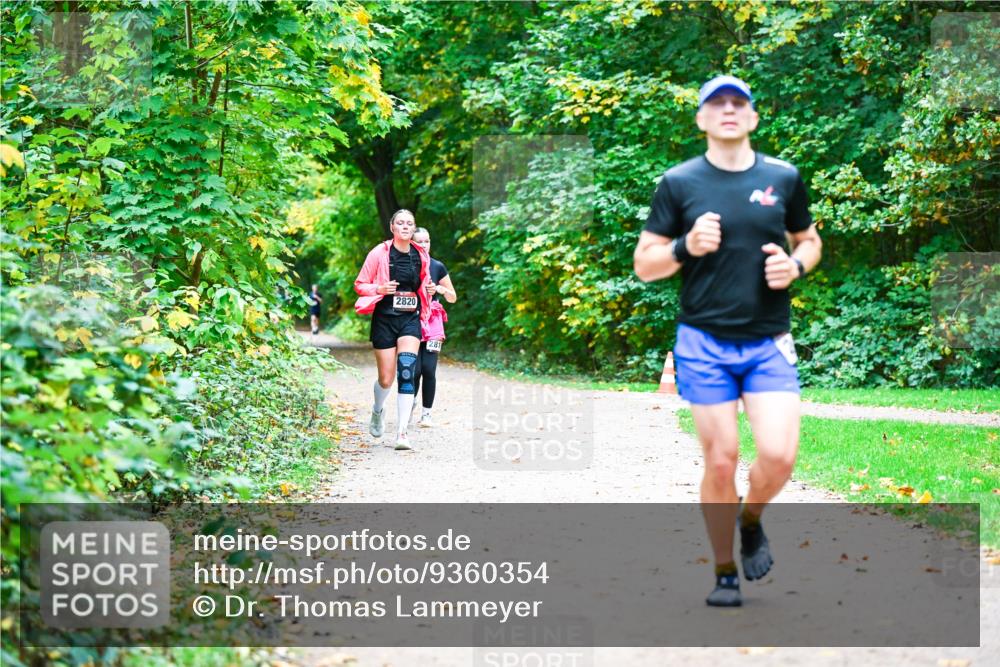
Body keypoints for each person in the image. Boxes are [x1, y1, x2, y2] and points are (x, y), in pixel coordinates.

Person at [633, 75, 822, 607]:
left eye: (739, 102)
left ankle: (752, 517)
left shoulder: (783, 178)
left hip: (767, 340)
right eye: (717, 104)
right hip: (704, 340)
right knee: (721, 460)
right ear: (701, 119)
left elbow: (809, 241)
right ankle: (723, 572)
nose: (729, 110)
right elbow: (645, 264)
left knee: (780, 456)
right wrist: (686, 246)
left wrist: (797, 266)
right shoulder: (679, 182)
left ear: (754, 117)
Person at [354, 209, 433, 451]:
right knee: (386, 379)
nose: (405, 227)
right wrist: (379, 289)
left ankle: (401, 433)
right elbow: (360, 285)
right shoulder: (380, 252)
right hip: (385, 318)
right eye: (400, 223)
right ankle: (378, 410)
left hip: (410, 319)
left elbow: (424, 284)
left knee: (407, 371)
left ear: (414, 227)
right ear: (392, 227)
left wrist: (428, 290)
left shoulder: (420, 255)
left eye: (409, 223)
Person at [410, 227, 458, 428]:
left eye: (426, 241)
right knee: (414, 370)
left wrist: (439, 289)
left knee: (429, 369)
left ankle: (426, 414)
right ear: (411, 243)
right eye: (419, 242)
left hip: (433, 322)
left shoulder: (438, 266)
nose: (423, 245)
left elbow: (452, 297)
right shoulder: (406, 264)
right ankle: (409, 404)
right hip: (410, 320)